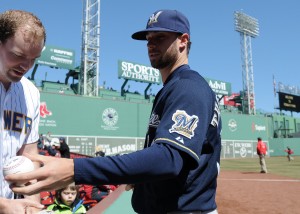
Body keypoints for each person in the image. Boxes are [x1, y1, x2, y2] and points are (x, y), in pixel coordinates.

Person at [7, 9, 222, 214]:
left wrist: (75, 169)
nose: (151, 45)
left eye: (160, 38)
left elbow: (169, 158)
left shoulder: (188, 87)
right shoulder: (175, 87)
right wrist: (140, 176)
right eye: (148, 39)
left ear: (183, 40)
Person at [0, 9, 46, 213]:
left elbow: (29, 155)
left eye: (33, 59)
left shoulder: (31, 93)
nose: (26, 66)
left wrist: (32, 206)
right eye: (18, 55)